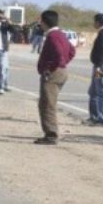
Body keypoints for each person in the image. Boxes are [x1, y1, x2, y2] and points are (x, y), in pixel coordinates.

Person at [35, 10, 76, 145]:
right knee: (47, 102)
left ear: (44, 22)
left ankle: (51, 134)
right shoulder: (60, 34)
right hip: (60, 71)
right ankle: (49, 132)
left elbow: (59, 54)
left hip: (53, 73)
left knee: (47, 104)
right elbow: (72, 51)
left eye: (41, 21)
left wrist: (51, 68)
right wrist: (63, 63)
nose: (40, 24)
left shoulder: (53, 36)